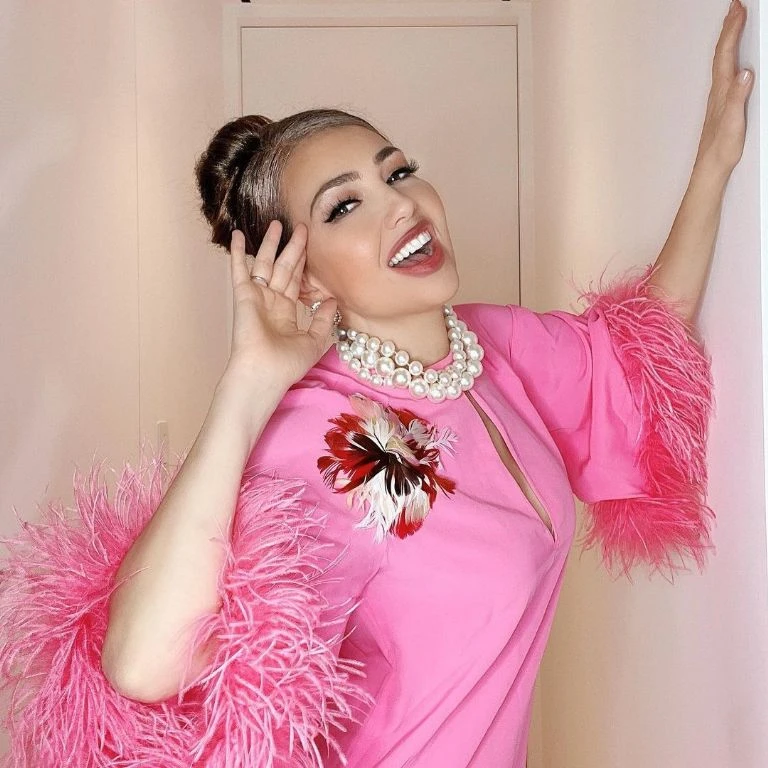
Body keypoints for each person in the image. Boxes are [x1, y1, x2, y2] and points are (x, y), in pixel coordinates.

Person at [0, 2, 752, 766]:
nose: (401, 204)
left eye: (398, 172)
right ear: (302, 274)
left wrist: (716, 161)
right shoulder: (320, 442)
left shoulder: (498, 347)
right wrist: (250, 383)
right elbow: (142, 665)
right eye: (346, 206)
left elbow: (640, 349)